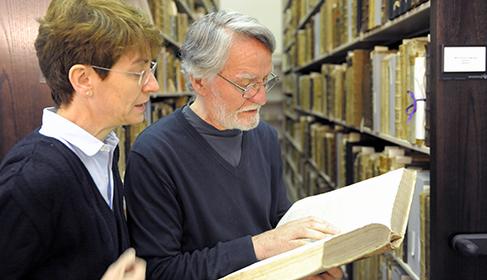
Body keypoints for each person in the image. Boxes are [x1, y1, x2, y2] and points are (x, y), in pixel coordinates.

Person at [124, 11, 343, 280]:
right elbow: (161, 271)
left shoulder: (265, 137)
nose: (261, 97)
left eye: (265, 81)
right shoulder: (154, 154)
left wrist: (308, 265)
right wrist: (260, 246)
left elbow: (278, 220)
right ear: (199, 81)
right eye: (246, 84)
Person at [0, 0, 163, 278]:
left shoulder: (103, 151)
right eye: (138, 72)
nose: (153, 85)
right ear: (84, 79)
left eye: (152, 68)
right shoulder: (28, 181)